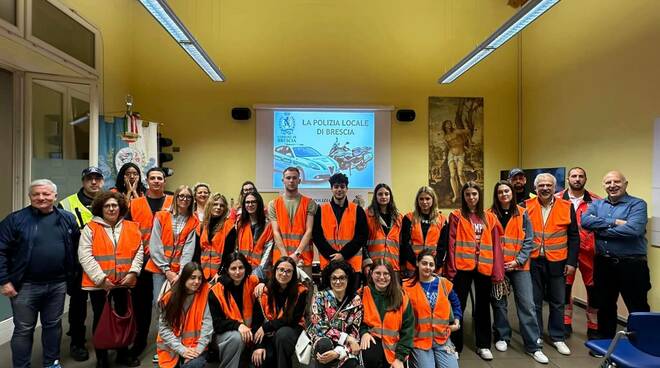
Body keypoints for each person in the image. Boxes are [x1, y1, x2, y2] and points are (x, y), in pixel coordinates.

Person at [0, 179, 81, 368]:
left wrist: (74, 277)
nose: (41, 197)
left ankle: (51, 363)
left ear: (55, 196)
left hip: (58, 284)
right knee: (24, 329)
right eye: (36, 194)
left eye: (46, 194)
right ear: (30, 197)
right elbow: (1, 251)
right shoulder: (15, 220)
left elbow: (76, 248)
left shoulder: (67, 218)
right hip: (25, 286)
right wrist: (4, 280)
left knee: (53, 325)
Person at [581, 170, 650, 339]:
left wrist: (600, 231)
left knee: (637, 306)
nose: (612, 186)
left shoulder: (637, 204)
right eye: (608, 182)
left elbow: (634, 230)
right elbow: (585, 221)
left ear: (625, 184)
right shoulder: (597, 204)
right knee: (605, 305)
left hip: (632, 264)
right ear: (604, 185)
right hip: (604, 264)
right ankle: (605, 342)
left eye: (616, 182)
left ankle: (643, 343)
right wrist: (615, 223)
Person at [78, 191, 143, 368]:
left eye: (114, 205)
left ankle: (122, 354)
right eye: (107, 206)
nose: (111, 208)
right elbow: (85, 256)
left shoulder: (132, 226)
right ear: (100, 208)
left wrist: (133, 273)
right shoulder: (90, 228)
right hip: (99, 285)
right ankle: (102, 358)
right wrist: (101, 279)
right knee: (101, 320)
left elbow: (139, 251)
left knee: (123, 317)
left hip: (124, 283)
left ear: (120, 207)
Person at [488, 181, 548, 364]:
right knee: (499, 304)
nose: (504, 194)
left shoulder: (523, 213)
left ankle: (533, 345)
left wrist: (518, 261)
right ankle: (502, 337)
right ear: (496, 195)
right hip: (498, 267)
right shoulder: (489, 215)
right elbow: (487, 242)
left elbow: (529, 240)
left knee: (527, 305)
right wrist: (498, 264)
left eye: (507, 191)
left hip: (520, 267)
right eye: (500, 192)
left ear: (512, 193)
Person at [444, 181, 504, 360]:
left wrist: (498, 271)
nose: (471, 197)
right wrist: (451, 269)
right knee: (458, 306)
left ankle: (483, 344)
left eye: (474, 194)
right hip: (462, 268)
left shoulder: (490, 217)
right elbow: (451, 244)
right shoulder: (456, 216)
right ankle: (455, 345)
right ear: (463, 196)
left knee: (483, 307)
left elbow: (496, 246)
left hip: (484, 268)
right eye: (468, 194)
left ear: (480, 196)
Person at [524, 173, 579, 356]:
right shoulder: (526, 205)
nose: (545, 188)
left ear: (555, 187)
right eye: (541, 186)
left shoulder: (566, 206)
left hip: (558, 261)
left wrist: (572, 262)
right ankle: (537, 334)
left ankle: (558, 337)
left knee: (558, 301)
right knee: (535, 301)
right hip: (533, 261)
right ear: (535, 188)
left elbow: (573, 236)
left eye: (549, 185)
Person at [58, 166, 105, 362]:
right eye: (89, 179)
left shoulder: (108, 202)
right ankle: (77, 343)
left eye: (97, 179)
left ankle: (102, 341)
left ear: (102, 181)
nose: (93, 182)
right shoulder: (66, 204)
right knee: (77, 307)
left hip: (102, 265)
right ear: (83, 181)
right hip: (77, 267)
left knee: (101, 306)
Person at [128, 167, 174, 359]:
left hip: (167, 263)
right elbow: (128, 233)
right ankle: (139, 342)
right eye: (152, 178)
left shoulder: (173, 201)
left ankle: (165, 344)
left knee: (165, 305)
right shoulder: (135, 204)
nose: (156, 181)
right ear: (146, 181)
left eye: (159, 178)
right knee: (141, 305)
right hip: (142, 261)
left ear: (164, 181)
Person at [556, 167, 600, 339]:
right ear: (568, 179)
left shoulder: (596, 201)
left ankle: (593, 325)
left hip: (590, 252)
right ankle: (565, 323)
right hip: (565, 251)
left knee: (593, 290)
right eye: (574, 176)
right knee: (565, 289)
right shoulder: (557, 199)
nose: (577, 179)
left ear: (585, 179)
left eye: (581, 176)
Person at [403, 250, 461, 368]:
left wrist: (457, 319)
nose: (428, 267)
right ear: (417, 263)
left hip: (442, 338)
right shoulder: (406, 287)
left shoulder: (444, 283)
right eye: (424, 263)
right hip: (419, 340)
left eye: (431, 264)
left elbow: (456, 303)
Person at [251, 256, 308, 368]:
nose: (284, 274)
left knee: (282, 335)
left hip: (291, 330)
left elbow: (292, 320)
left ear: (293, 274)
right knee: (262, 358)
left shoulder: (300, 292)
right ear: (275, 270)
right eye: (281, 269)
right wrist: (259, 346)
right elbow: (256, 322)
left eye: (288, 271)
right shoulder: (263, 291)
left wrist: (266, 327)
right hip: (269, 332)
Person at [146, 185, 199, 304]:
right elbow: (155, 245)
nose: (184, 199)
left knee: (176, 303)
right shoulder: (161, 216)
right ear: (175, 197)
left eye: (188, 197)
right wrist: (166, 270)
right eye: (181, 196)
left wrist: (181, 273)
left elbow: (188, 249)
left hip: (179, 271)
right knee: (159, 302)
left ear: (192, 200)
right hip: (160, 269)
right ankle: (160, 324)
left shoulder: (193, 221)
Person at [208, 252, 260, 368]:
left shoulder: (253, 281)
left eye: (241, 268)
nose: (237, 272)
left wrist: (263, 285)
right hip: (223, 335)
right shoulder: (216, 291)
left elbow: (271, 283)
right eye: (233, 268)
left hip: (250, 334)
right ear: (227, 269)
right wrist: (238, 326)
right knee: (236, 338)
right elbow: (217, 324)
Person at [157, 262, 213, 368]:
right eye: (193, 278)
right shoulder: (169, 297)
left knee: (193, 365)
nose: (197, 282)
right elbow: (163, 329)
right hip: (172, 349)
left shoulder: (206, 293)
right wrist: (182, 350)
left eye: (200, 278)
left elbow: (208, 326)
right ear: (184, 278)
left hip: (195, 348)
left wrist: (196, 351)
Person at [307, 260, 362, 368]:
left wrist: (339, 351)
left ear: (348, 279)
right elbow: (319, 326)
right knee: (324, 346)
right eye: (334, 278)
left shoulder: (356, 300)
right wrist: (346, 338)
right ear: (329, 279)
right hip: (322, 339)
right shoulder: (319, 296)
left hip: (344, 346)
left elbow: (355, 331)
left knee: (352, 364)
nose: (338, 282)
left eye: (342, 278)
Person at [359, 259, 414, 368]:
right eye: (378, 273)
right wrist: (364, 332)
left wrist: (399, 358)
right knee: (370, 356)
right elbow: (356, 320)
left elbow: (408, 329)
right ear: (371, 273)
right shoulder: (362, 293)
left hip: (395, 348)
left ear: (392, 276)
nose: (382, 277)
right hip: (373, 344)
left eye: (386, 274)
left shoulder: (401, 296)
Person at [313, 173, 368, 280]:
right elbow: (317, 236)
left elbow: (361, 236)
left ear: (347, 189)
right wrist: (333, 256)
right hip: (328, 264)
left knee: (352, 297)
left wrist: (343, 255)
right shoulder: (321, 210)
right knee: (329, 296)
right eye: (336, 187)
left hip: (352, 265)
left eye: (342, 187)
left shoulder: (358, 210)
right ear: (331, 189)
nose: (339, 189)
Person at [268, 167, 317, 278]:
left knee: (305, 291)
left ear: (299, 180)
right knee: (281, 293)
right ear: (283, 180)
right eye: (288, 178)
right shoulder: (273, 204)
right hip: (281, 258)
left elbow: (309, 231)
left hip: (302, 258)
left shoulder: (309, 203)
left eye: (294, 178)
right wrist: (287, 258)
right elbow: (276, 232)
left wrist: (296, 254)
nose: (291, 181)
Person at [224, 191, 273, 278]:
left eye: (253, 202)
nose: (250, 205)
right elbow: (236, 247)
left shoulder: (267, 225)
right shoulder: (240, 223)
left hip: (260, 271)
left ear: (259, 203)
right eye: (247, 202)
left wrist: (259, 271)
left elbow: (268, 250)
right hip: (242, 270)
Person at [400, 186, 447, 273]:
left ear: (433, 200)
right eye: (421, 199)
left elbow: (443, 246)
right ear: (417, 201)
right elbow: (405, 244)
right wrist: (416, 263)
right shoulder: (409, 218)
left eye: (427, 199)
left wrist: (436, 264)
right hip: (413, 266)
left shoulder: (442, 220)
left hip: (433, 267)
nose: (424, 202)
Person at [365, 183, 402, 271]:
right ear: (375, 196)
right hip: (373, 265)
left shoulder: (398, 217)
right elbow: (362, 243)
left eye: (386, 194)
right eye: (380, 194)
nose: (383, 196)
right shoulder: (367, 215)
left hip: (393, 265)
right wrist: (366, 263)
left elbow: (402, 243)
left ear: (390, 196)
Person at [199, 193, 233, 282]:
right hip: (202, 273)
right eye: (215, 204)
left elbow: (228, 253)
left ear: (225, 209)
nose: (218, 207)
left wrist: (220, 273)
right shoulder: (203, 225)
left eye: (221, 206)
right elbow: (197, 252)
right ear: (209, 205)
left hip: (219, 275)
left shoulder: (229, 225)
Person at [441, 120, 471, 203]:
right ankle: (456, 195)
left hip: (460, 154)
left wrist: (468, 143)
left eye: (450, 123)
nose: (449, 125)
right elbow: (448, 147)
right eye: (447, 124)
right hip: (451, 155)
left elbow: (467, 131)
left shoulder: (456, 131)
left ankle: (468, 193)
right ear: (444, 126)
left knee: (460, 174)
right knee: (453, 175)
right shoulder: (445, 137)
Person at [192, 183, 211, 263]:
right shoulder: (190, 213)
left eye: (205, 192)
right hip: (193, 251)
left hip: (209, 251)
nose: (203, 194)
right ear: (195, 195)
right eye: (200, 192)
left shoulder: (213, 212)